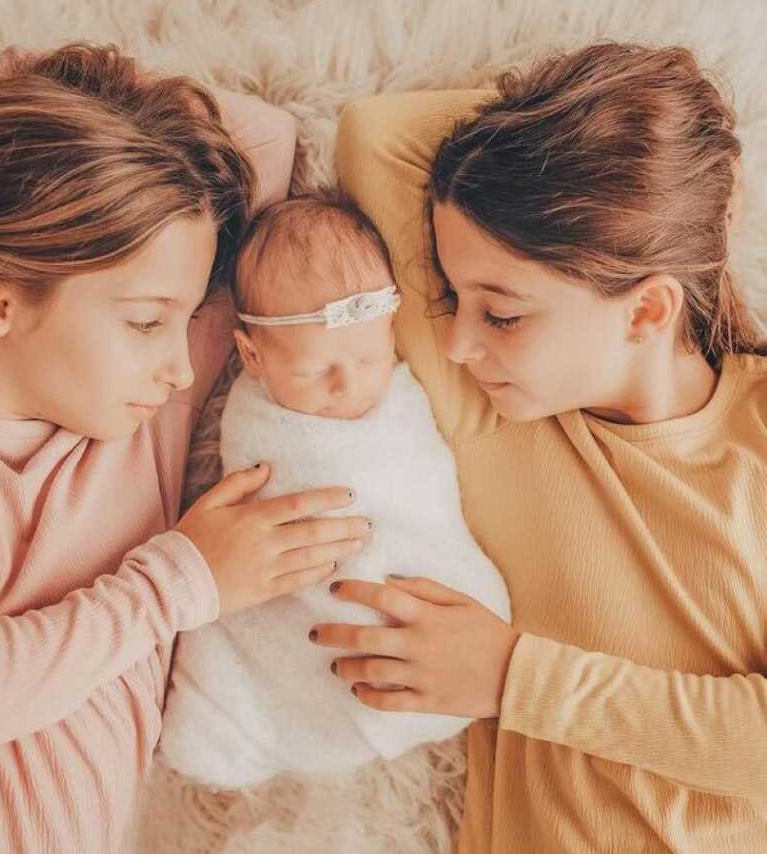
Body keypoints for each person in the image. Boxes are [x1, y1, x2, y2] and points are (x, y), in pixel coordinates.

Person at [0, 43, 371, 854]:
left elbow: (265, 141)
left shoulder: (143, 426)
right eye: (144, 322)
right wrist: (179, 581)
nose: (181, 366)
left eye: (185, 316)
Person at [321, 43, 767, 852]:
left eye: (502, 313)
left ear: (645, 312)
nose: (455, 343)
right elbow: (373, 137)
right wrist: (584, 146)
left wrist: (515, 678)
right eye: (453, 297)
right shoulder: (504, 421)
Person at [159, 194, 510, 788]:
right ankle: (248, 722)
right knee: (215, 706)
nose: (349, 386)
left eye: (371, 357)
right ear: (253, 356)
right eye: (316, 371)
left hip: (424, 609)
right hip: (298, 612)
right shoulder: (256, 425)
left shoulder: (402, 400)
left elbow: (422, 501)